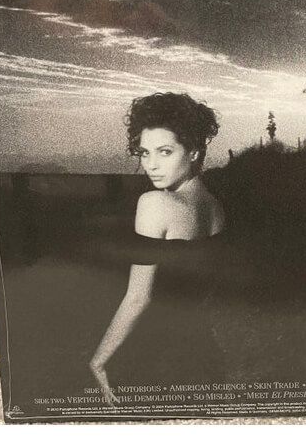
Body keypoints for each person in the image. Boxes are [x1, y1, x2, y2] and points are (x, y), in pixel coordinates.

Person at [89, 92, 225, 406]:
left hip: (158, 356)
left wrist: (98, 361)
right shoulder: (216, 206)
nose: (151, 165)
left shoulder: (155, 203)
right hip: (206, 355)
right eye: (144, 152)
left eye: (165, 152)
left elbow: (139, 297)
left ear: (193, 151)